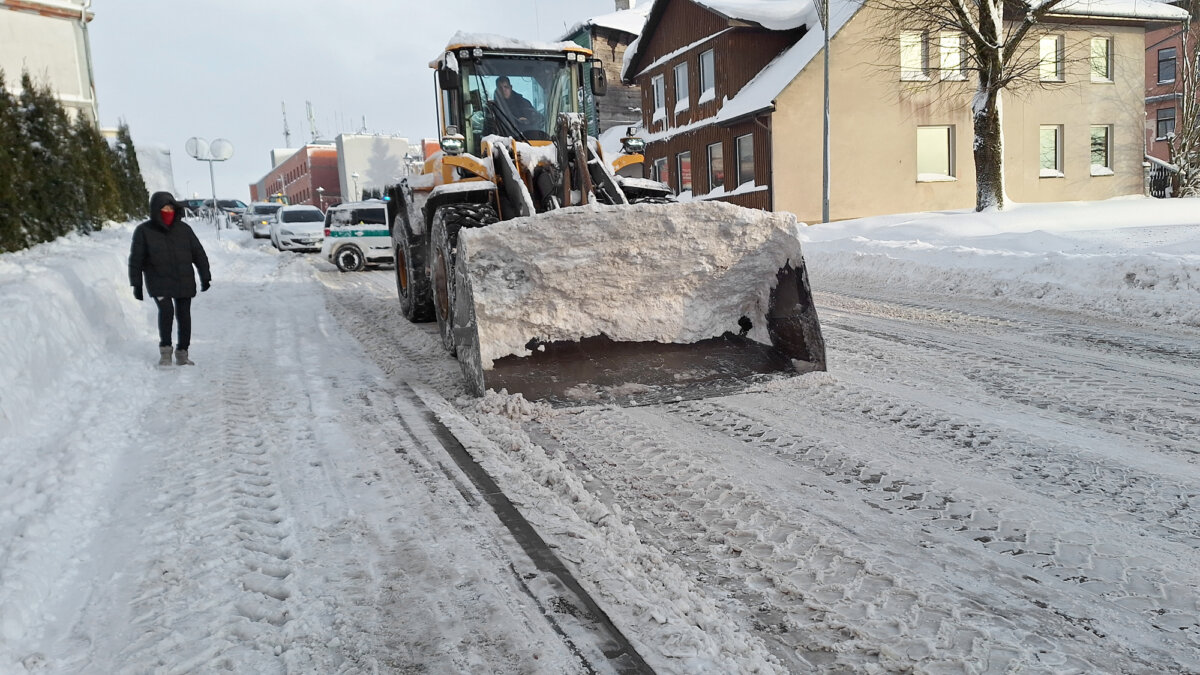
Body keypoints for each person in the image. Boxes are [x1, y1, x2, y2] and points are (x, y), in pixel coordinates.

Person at [129, 191, 212, 366]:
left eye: (170, 207)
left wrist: (205, 276)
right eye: (163, 208)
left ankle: (183, 353)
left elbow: (199, 254)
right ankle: (165, 351)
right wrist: (136, 284)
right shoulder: (144, 231)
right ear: (155, 210)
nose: (168, 211)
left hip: (183, 280)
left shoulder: (184, 230)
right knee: (166, 312)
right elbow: (136, 260)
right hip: (158, 281)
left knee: (184, 316)